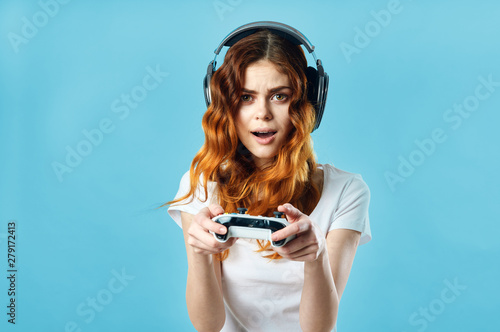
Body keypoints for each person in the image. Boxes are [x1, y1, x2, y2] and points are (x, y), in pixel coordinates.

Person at [166, 21, 371, 332]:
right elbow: (207, 325)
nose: (262, 113)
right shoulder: (202, 185)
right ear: (224, 104)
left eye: (279, 96)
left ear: (307, 103)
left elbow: (319, 329)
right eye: (246, 97)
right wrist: (199, 253)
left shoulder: (347, 190)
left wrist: (315, 258)